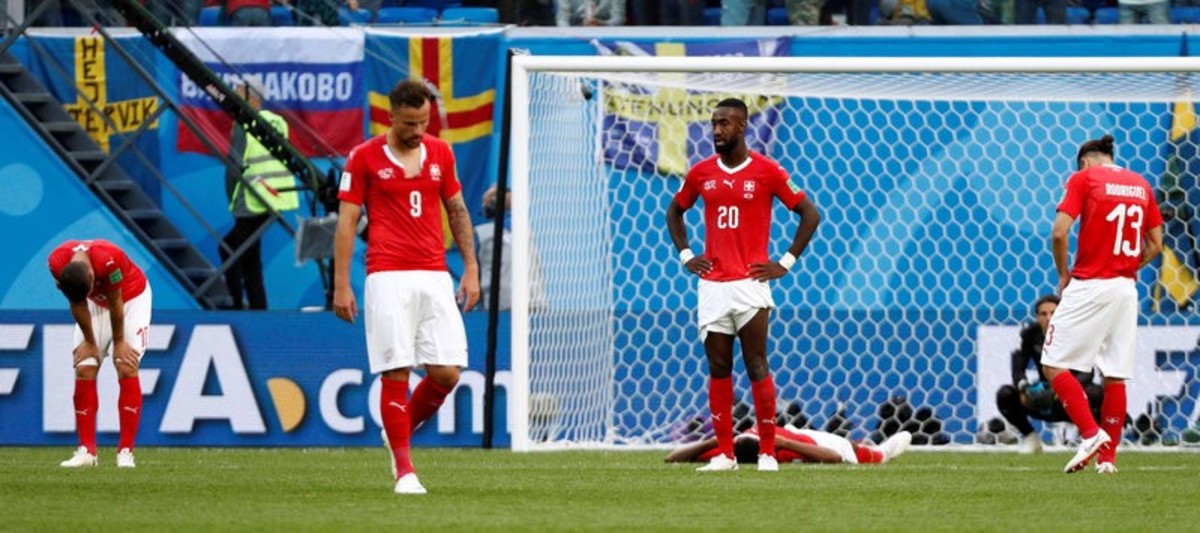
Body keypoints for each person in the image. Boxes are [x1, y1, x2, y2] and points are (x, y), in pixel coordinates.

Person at [332, 80, 481, 495]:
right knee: (396, 371)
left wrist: (471, 268)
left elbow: (457, 209)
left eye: (424, 122)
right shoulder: (363, 157)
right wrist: (341, 284)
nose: (418, 131)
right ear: (391, 116)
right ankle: (404, 471)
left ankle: (397, 429)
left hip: (434, 274)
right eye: (410, 123)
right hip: (387, 275)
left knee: (447, 374)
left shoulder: (441, 153)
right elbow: (347, 222)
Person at [665, 97, 821, 472]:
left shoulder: (767, 170)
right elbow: (675, 210)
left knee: (756, 364)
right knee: (719, 368)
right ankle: (725, 455)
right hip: (712, 286)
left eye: (724, 123)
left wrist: (784, 262)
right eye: (714, 123)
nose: (717, 130)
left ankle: (767, 452)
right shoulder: (701, 172)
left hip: (751, 284)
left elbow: (810, 214)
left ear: (742, 126)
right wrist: (686, 255)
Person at [1043, 134, 1163, 474]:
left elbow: (1059, 232)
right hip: (1126, 288)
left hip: (1089, 285)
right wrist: (1127, 267)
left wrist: (1063, 275)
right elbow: (1156, 244)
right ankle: (1107, 460)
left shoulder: (1083, 178)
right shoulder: (1140, 184)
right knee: (1115, 375)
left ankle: (1090, 433)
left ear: (1085, 162)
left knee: (1052, 363)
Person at [48, 239, 152, 469]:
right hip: (94, 303)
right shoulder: (56, 263)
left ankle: (125, 452)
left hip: (130, 299)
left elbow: (116, 302)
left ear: (92, 276)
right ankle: (87, 451)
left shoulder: (109, 259)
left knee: (125, 364)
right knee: (84, 366)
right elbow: (77, 303)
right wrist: (90, 341)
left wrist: (119, 342)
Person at [221, 76, 297, 310]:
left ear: (251, 97)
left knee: (230, 250)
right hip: (275, 197)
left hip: (252, 198)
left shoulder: (244, 123)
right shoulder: (278, 121)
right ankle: (257, 307)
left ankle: (238, 306)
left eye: (238, 91)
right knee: (249, 255)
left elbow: (233, 168)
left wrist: (232, 199)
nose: (233, 95)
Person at [995, 294, 1103, 454]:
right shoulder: (1029, 334)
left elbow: (1087, 374)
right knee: (1005, 395)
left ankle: (1093, 438)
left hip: (1071, 397)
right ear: (1037, 317)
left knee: (1098, 395)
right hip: (1042, 397)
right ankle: (1031, 438)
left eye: (1053, 313)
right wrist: (1024, 388)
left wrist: (1061, 391)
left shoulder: (1077, 335)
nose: (1049, 318)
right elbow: (1018, 367)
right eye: (1043, 314)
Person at [665, 424, 913, 466]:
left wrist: (716, 441)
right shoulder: (781, 450)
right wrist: (784, 442)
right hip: (801, 439)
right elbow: (833, 458)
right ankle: (881, 454)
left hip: (790, 431)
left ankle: (874, 448)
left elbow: (671, 457)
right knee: (848, 448)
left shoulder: (731, 447)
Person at [555, 0, 626, 25]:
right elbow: (562, 19)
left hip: (605, 31)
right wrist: (570, 36)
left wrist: (602, 23)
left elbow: (619, 18)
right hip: (576, 31)